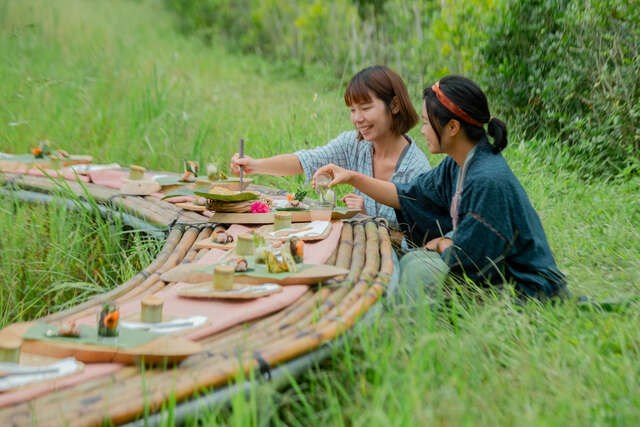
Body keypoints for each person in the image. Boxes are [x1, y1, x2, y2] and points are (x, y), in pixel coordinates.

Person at [312, 75, 568, 303]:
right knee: (412, 263)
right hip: (488, 268)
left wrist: (445, 245)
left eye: (426, 123)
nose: (422, 131)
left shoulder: (487, 179)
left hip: (525, 284)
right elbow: (408, 195)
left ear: (453, 127)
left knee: (417, 270)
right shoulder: (456, 165)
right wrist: (353, 178)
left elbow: (475, 257)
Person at [230, 65, 431, 226]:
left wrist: (366, 218)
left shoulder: (417, 169)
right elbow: (305, 161)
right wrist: (254, 165)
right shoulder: (354, 145)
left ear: (394, 105)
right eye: (352, 110)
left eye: (366, 108)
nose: (357, 119)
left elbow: (416, 241)